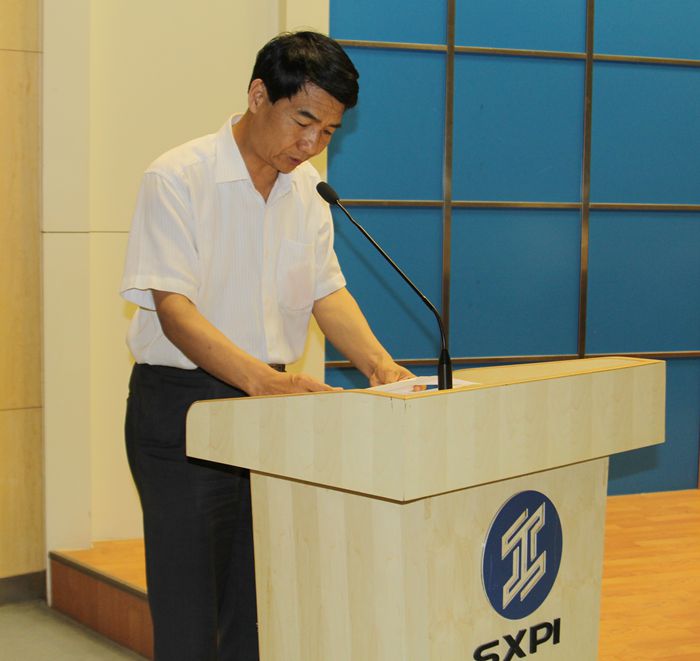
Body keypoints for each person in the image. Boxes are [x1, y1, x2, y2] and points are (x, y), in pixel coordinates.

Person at [120, 31, 412, 661]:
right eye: (303, 121)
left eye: (328, 131)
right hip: (184, 409)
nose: (311, 145)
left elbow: (326, 292)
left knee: (261, 612)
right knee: (190, 617)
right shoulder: (178, 177)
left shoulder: (307, 191)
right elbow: (174, 312)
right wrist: (264, 382)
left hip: (271, 412)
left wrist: (381, 367)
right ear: (259, 95)